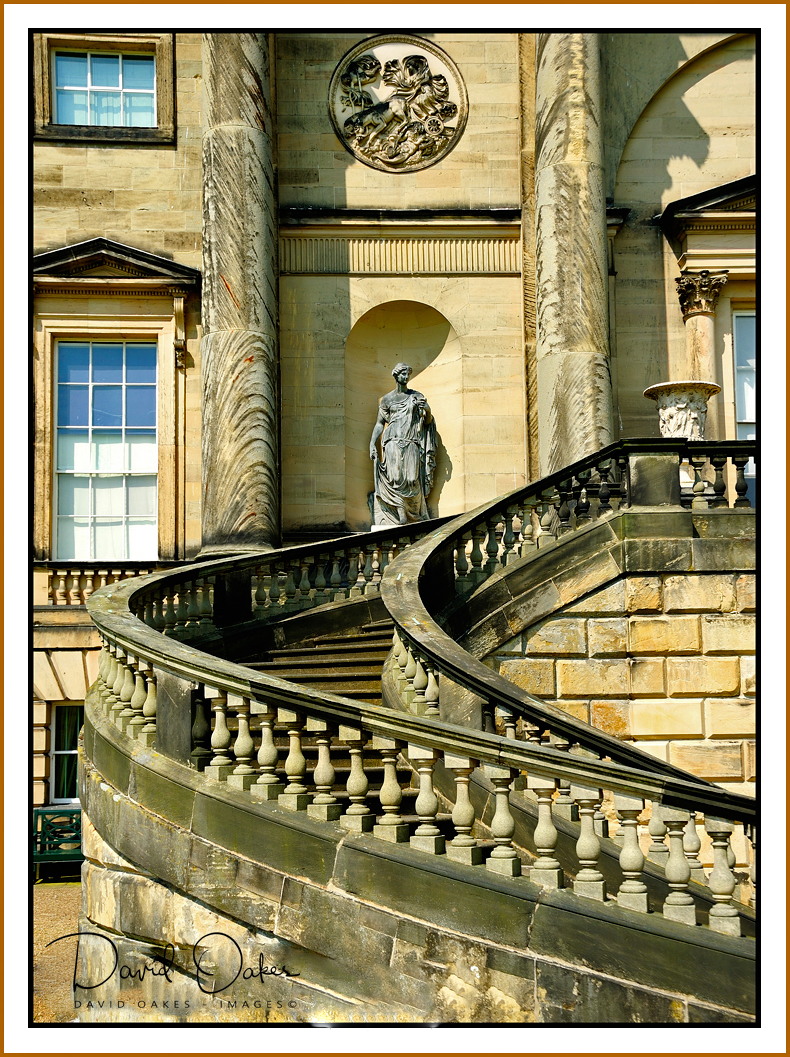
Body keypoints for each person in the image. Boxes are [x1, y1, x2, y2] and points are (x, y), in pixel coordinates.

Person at [369, 363, 436, 525]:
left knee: (412, 478)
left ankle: (414, 512)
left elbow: (427, 421)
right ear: (396, 376)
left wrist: (427, 409)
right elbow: (379, 424)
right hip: (391, 441)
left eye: (408, 375)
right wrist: (373, 443)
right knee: (395, 477)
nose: (406, 377)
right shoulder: (387, 399)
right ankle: (401, 513)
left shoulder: (416, 396)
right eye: (403, 374)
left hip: (411, 441)